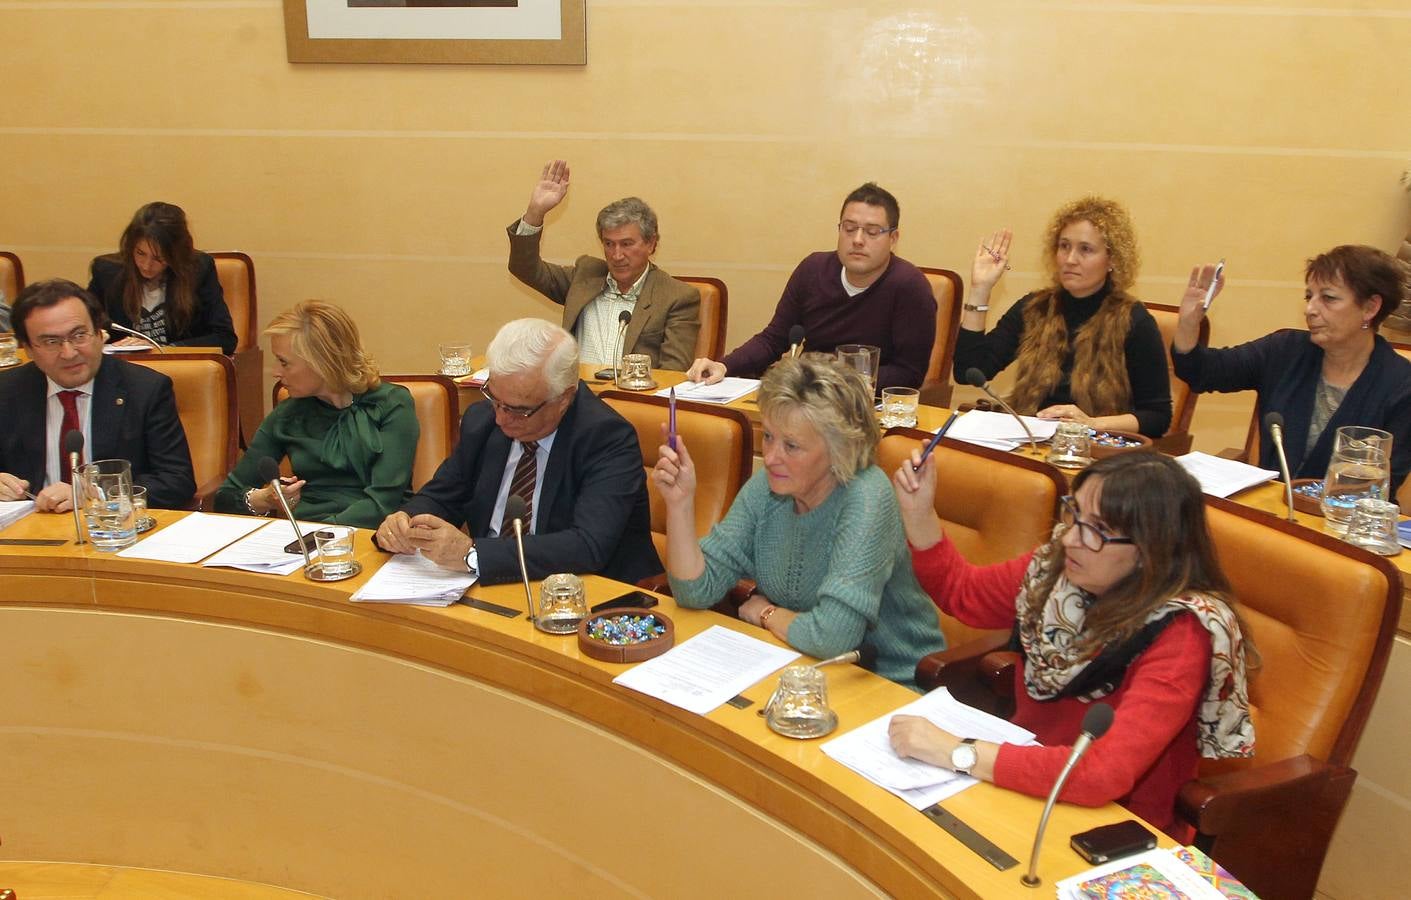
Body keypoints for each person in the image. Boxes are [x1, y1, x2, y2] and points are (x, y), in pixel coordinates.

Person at [888, 451, 1255, 839]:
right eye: (1074, 513)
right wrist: (919, 514)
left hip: (1115, 826)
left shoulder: (1182, 631)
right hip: (1019, 780)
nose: (1070, 538)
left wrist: (955, 751)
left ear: (1150, 550)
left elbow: (1102, 773)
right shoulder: (1057, 569)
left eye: (1097, 529)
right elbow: (963, 593)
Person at [654, 354, 946, 688]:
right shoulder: (768, 487)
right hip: (799, 666)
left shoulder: (867, 496)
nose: (771, 457)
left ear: (840, 449)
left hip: (891, 683)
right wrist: (679, 504)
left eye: (791, 446)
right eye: (768, 437)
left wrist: (766, 613)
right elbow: (694, 591)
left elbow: (833, 636)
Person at [375, 318, 660, 585]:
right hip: (485, 585)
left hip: (585, 592)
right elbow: (443, 495)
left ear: (564, 398)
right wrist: (405, 520)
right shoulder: (482, 421)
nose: (501, 418)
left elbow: (587, 546)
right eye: (494, 398)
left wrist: (473, 555)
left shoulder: (607, 438)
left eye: (518, 410)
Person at [1173, 245, 1411, 491]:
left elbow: (1385, 482)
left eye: (1328, 298)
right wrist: (1189, 324)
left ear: (1370, 308)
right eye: (1309, 297)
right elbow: (1202, 372)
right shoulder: (1285, 349)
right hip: (1271, 505)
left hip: (1343, 513)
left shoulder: (1402, 385)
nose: (1310, 309)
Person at [952, 197, 1172, 437]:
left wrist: (1091, 423)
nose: (1070, 259)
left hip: (1093, 447)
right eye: (1064, 246)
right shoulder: (1035, 308)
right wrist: (980, 289)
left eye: (1085, 249)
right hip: (1029, 442)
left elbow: (1158, 417)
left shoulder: (1133, 320)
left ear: (1112, 259)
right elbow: (968, 370)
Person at [685, 183, 936, 392]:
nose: (858, 240)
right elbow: (774, 339)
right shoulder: (813, 270)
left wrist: (837, 377)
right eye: (849, 229)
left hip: (868, 403)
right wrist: (724, 366)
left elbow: (909, 373)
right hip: (808, 397)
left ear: (893, 238)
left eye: (872, 232)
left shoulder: (910, 287)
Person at [214, 301, 418, 529]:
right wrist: (264, 499)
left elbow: (383, 502)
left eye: (284, 362)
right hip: (304, 533)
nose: (275, 372)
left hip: (377, 534)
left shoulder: (390, 404)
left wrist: (320, 537)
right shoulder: (288, 414)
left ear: (322, 362)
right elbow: (225, 497)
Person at [0, 279, 196, 511]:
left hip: (112, 526)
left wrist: (95, 494)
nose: (69, 353)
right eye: (51, 341)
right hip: (30, 527)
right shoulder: (7, 391)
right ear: (28, 349)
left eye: (79, 335)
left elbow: (176, 481)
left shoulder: (145, 389)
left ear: (100, 334)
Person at [508, 159, 701, 371]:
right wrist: (535, 212)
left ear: (651, 243)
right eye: (609, 244)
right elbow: (524, 268)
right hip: (577, 389)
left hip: (632, 391)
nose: (616, 255)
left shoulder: (677, 297)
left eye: (626, 244)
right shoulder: (585, 276)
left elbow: (673, 373)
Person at [87, 201, 237, 354]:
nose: (146, 265)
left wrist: (165, 349)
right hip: (122, 365)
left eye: (158, 258)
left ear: (176, 255)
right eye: (140, 253)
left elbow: (225, 338)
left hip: (177, 365)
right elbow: (87, 326)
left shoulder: (198, 270)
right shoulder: (107, 272)